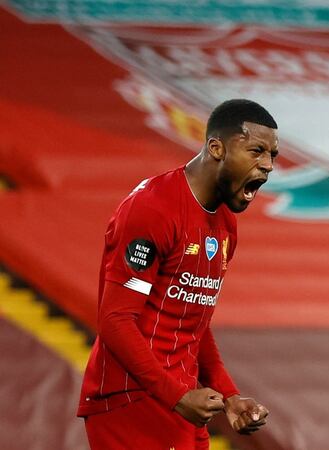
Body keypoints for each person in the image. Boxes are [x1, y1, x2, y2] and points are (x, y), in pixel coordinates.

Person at [77, 99, 278, 449]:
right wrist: (176, 396)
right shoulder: (153, 208)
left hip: (180, 401)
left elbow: (192, 322)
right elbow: (115, 319)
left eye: (272, 155)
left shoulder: (225, 223)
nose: (268, 165)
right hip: (131, 400)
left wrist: (229, 396)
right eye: (256, 151)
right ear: (216, 148)